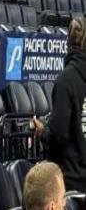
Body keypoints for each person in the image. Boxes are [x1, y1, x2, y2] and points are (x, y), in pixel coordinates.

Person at [34, 17, 86, 193]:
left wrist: (42, 131)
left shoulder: (66, 81)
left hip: (71, 181)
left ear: (68, 42)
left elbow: (58, 135)